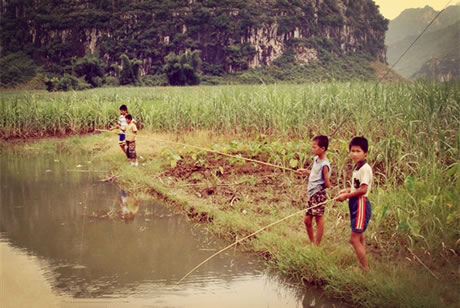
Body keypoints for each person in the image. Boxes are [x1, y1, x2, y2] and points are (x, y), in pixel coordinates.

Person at [336, 136, 373, 271]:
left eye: (358, 151)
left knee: (354, 239)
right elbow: (357, 187)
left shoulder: (365, 169)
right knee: (360, 235)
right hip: (355, 202)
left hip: (360, 203)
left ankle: (365, 269)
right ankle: (363, 265)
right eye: (352, 151)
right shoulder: (357, 167)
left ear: (365, 152)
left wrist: (347, 195)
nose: (355, 154)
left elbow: (363, 190)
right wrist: (347, 190)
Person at [296, 135, 331, 246]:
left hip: (318, 194)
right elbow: (315, 173)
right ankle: (312, 243)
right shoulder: (316, 159)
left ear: (323, 149)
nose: (313, 149)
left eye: (315, 147)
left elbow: (327, 183)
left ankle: (316, 245)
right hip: (312, 194)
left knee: (318, 219)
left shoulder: (325, 165)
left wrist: (320, 190)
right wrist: (306, 172)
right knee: (307, 221)